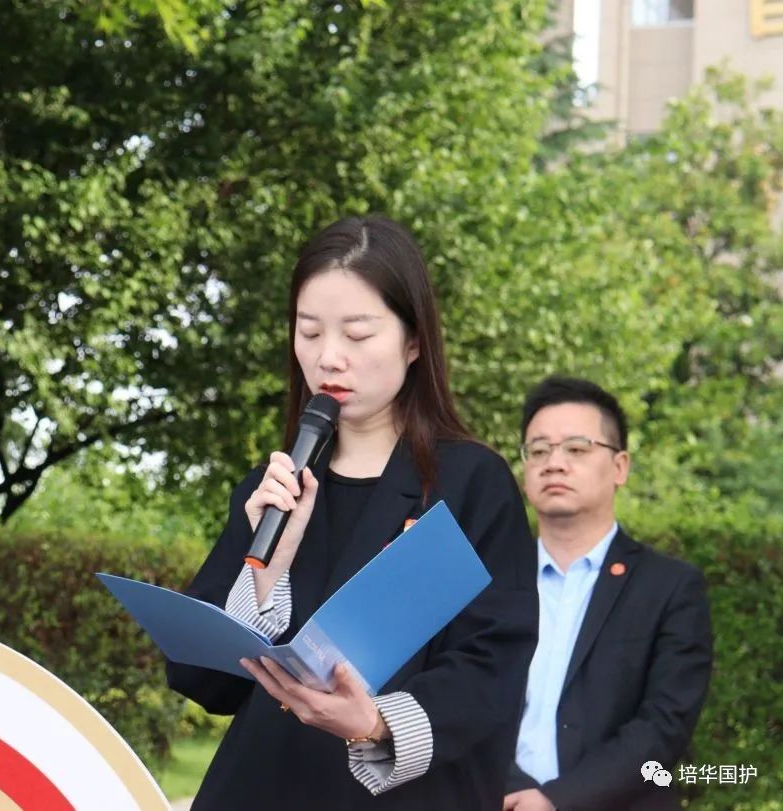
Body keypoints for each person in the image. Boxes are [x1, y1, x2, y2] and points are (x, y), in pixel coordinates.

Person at [167, 215, 538, 810]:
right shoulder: (272, 488)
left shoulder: (470, 483)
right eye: (309, 332)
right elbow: (203, 681)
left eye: (358, 335)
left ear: (414, 342)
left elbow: (492, 664)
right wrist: (265, 574)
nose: (329, 358)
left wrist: (374, 722)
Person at [504, 376, 713, 811]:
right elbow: (464, 701)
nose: (554, 463)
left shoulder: (670, 587)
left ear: (620, 467)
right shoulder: (493, 582)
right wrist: (512, 790)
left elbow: (664, 726)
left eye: (577, 449)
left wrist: (556, 800)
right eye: (538, 451)